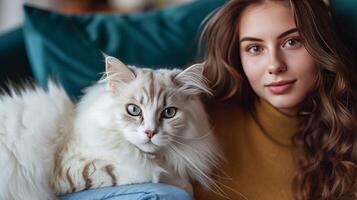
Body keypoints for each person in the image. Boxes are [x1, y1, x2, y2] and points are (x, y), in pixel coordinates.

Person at [193, 0, 357, 199]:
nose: (275, 65)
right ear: (238, 56)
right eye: (255, 48)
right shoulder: (194, 113)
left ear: (320, 43)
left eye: (291, 42)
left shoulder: (348, 134)